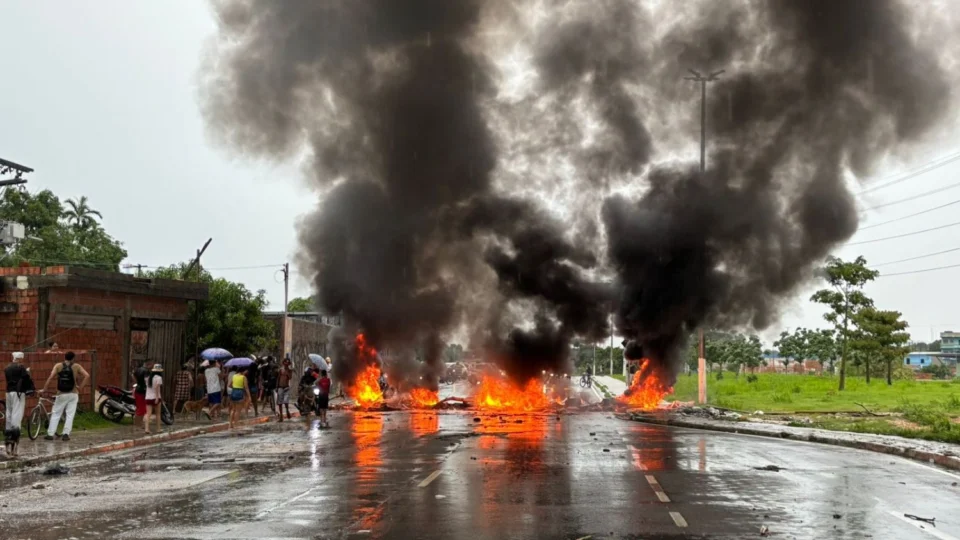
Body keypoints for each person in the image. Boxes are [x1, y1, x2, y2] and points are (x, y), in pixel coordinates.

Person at [41, 351, 89, 441]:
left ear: (64, 357)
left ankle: (50, 434)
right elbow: (87, 375)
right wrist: (80, 387)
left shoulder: (58, 366)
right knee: (70, 415)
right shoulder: (76, 366)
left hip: (61, 394)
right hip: (73, 394)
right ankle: (66, 434)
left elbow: (50, 377)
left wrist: (44, 389)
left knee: (56, 414)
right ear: (73, 358)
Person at [4, 352, 34, 457]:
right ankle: (14, 443)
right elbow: (26, 380)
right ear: (20, 359)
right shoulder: (21, 368)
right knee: (17, 416)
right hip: (18, 393)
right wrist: (28, 372)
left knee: (9, 414)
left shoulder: (7, 368)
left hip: (8, 393)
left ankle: (8, 439)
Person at [143, 364, 164, 435]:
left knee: (148, 414)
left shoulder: (148, 378)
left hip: (148, 397)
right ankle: (158, 429)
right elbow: (157, 388)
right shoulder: (159, 378)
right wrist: (157, 398)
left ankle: (146, 428)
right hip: (156, 397)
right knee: (158, 414)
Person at [130, 360, 150, 431]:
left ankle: (138, 424)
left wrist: (137, 381)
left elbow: (133, 376)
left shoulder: (137, 370)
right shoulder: (146, 371)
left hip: (137, 390)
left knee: (139, 408)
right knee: (142, 409)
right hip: (143, 391)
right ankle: (137, 425)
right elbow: (147, 382)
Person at [275, 357, 293, 422]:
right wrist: (276, 387)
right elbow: (278, 378)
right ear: (283, 363)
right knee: (280, 402)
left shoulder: (290, 370)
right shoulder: (280, 370)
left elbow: (290, 377)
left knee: (286, 401)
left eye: (287, 362)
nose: (286, 363)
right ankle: (281, 416)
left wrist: (287, 371)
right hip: (280, 387)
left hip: (286, 387)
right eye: (285, 362)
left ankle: (287, 411)